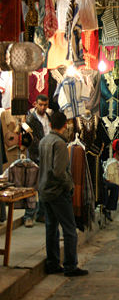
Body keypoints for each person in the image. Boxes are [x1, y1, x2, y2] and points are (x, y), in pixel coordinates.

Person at [38, 111, 88, 277]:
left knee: (51, 228)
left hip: (44, 190)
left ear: (51, 124)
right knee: (69, 229)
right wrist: (69, 185)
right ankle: (70, 265)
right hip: (57, 192)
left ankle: (52, 263)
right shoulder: (59, 144)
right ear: (65, 125)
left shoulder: (44, 141)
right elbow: (59, 172)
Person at [24, 94, 51, 227]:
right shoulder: (30, 119)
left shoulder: (48, 117)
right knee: (31, 187)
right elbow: (31, 140)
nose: (42, 107)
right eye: (40, 104)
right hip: (35, 156)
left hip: (46, 157)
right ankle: (29, 216)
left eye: (45, 105)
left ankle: (41, 214)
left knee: (43, 186)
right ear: (35, 104)